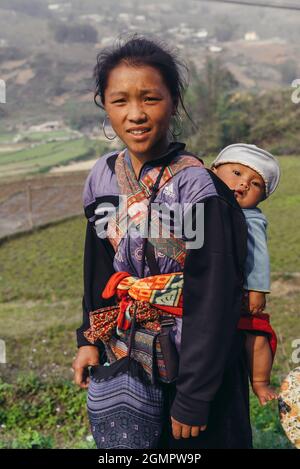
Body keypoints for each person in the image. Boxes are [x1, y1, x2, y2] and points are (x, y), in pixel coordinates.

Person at [72, 36, 253, 449]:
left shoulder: (197, 187)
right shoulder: (101, 179)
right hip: (129, 356)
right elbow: (100, 272)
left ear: (173, 101)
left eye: (150, 98)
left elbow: (215, 294)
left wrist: (194, 396)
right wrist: (88, 340)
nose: (135, 114)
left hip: (196, 367)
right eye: (120, 101)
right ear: (105, 105)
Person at [211, 144, 280, 405]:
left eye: (255, 184)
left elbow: (258, 256)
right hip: (212, 293)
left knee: (257, 334)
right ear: (213, 171)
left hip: (242, 294)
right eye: (236, 173)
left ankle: (260, 382)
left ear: (261, 199)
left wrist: (257, 290)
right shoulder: (204, 206)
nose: (243, 184)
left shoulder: (250, 218)